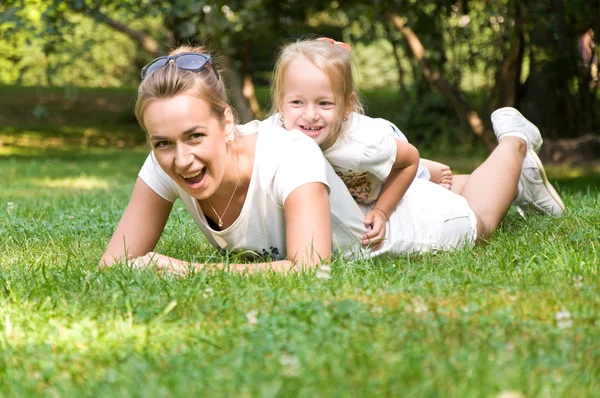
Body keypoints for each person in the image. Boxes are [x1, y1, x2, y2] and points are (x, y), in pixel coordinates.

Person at [99, 45, 564, 275]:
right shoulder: (166, 158)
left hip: (390, 230)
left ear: (226, 123)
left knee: (479, 220)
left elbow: (309, 268)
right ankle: (457, 176)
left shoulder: (292, 152)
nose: (181, 159)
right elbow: (115, 262)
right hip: (355, 195)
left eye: (195, 136)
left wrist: (185, 269)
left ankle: (514, 146)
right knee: (429, 184)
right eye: (162, 143)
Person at [265, 38, 454, 249]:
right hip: (362, 170)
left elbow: (409, 160)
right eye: (297, 102)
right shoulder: (273, 133)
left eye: (324, 103)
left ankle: (430, 171)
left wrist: (381, 212)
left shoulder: (366, 145)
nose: (310, 115)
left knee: (424, 181)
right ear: (281, 103)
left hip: (395, 155)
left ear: (347, 106)